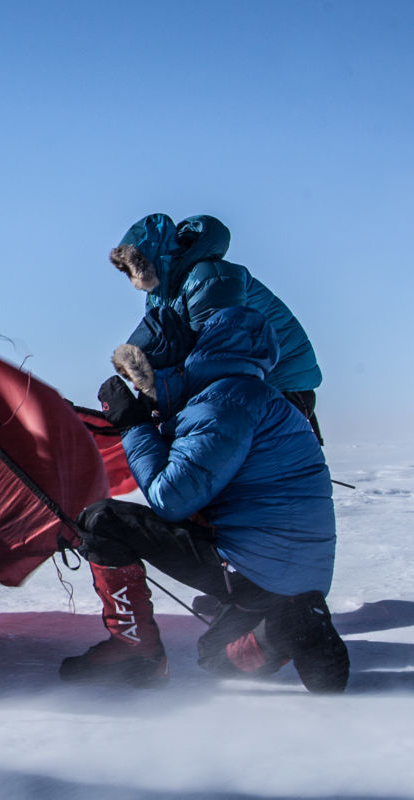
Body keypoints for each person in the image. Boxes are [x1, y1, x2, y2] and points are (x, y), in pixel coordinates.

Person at [63, 306, 348, 693]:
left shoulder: (223, 403)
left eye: (142, 378)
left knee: (102, 521)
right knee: (215, 656)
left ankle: (135, 650)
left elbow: (171, 498)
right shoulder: (253, 396)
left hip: (256, 567)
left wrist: (133, 425)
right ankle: (286, 628)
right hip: (290, 572)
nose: (142, 390)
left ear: (169, 367)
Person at [108, 213, 325, 442]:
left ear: (152, 258)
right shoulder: (160, 297)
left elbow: (216, 354)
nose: (131, 279)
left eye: (132, 268)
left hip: (280, 385)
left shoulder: (210, 276)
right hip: (248, 387)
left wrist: (166, 396)